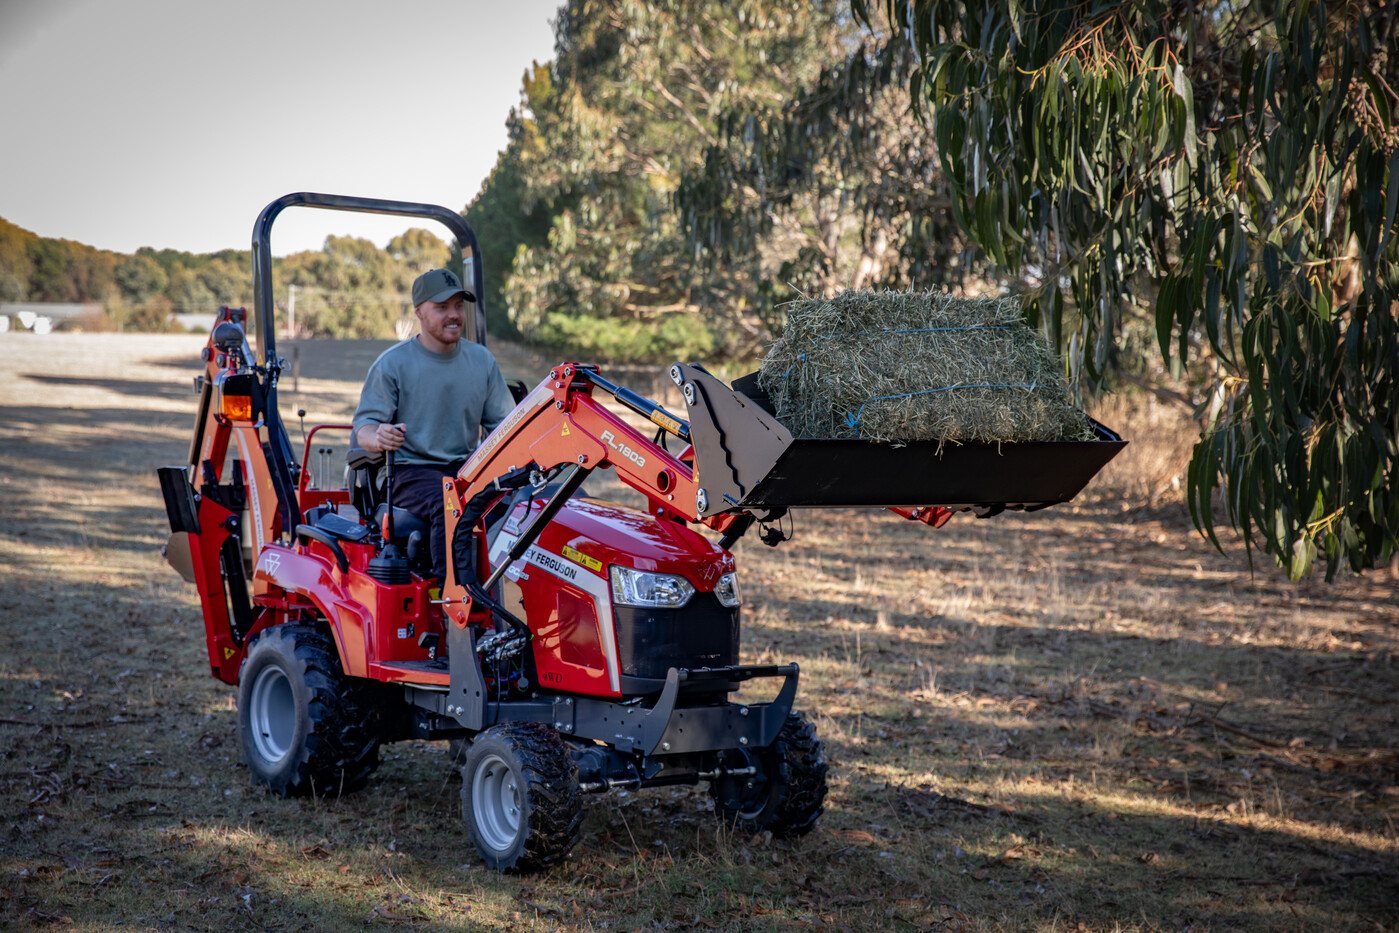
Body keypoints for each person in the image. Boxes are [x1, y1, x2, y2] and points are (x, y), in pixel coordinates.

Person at [352, 268, 516, 580]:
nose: (454, 315)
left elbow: (507, 426)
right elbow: (365, 429)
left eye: (458, 306)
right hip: (409, 471)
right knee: (449, 503)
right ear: (419, 312)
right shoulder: (393, 364)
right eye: (442, 307)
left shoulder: (481, 361)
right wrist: (380, 437)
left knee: (523, 500)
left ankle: (506, 591)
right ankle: (454, 598)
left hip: (465, 467)